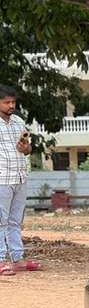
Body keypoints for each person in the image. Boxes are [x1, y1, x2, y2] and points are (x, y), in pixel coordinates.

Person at [0, 85, 42, 276]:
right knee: (1, 221)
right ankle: (1, 260)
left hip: (19, 176)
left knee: (15, 221)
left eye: (13, 102)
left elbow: (27, 150)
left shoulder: (18, 121)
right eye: (6, 102)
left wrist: (24, 147)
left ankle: (17, 259)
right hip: (1, 177)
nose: (11, 105)